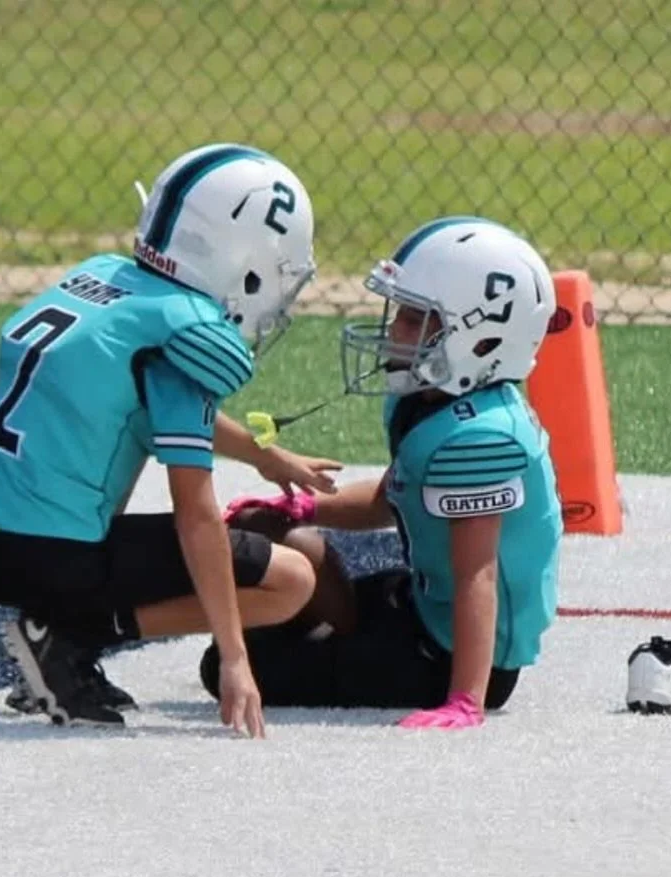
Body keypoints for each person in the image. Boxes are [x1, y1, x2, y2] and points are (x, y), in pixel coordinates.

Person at [0, 143, 342, 736]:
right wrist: (235, 658)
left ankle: (61, 627)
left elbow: (148, 404)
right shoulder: (185, 332)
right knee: (292, 581)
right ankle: (67, 636)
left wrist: (262, 456)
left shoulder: (100, 278)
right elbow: (196, 517)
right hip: (51, 553)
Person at [200, 216, 563, 730]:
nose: (395, 331)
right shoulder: (434, 404)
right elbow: (391, 498)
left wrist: (466, 699)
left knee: (224, 667)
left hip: (453, 652)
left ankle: (432, 677)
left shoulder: (482, 437)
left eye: (415, 319)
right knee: (286, 579)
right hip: (425, 604)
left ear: (480, 341)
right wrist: (303, 507)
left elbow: (476, 575)